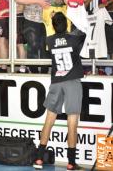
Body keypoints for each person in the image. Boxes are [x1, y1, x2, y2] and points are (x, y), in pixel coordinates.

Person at [33, 12, 86, 170]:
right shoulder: (75, 38)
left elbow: (52, 42)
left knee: (49, 119)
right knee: (72, 121)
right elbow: (83, 28)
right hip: (72, 81)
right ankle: (71, 162)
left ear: (53, 26)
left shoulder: (49, 40)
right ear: (67, 24)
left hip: (56, 81)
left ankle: (39, 158)